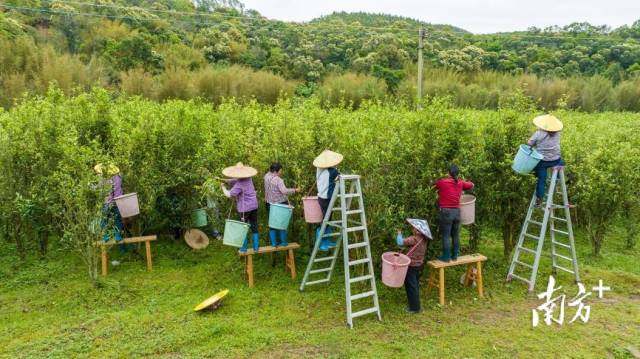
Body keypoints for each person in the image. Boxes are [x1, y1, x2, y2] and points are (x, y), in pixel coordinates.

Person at [434, 164, 474, 262]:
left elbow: (433, 184)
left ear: (448, 173)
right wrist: (465, 182)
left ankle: (446, 257)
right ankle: (455, 255)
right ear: (457, 173)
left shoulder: (443, 182)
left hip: (446, 212)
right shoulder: (460, 182)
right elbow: (472, 185)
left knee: (446, 235)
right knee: (455, 235)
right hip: (457, 212)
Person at [220, 162, 260, 253]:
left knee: (243, 227)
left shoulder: (239, 184)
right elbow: (234, 180)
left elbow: (229, 194)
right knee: (254, 225)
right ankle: (256, 247)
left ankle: (244, 248)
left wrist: (223, 187)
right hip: (254, 206)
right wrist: (223, 180)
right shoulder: (249, 178)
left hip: (244, 209)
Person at [396, 218, 432, 314]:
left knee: (411, 286)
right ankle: (414, 305)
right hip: (418, 265)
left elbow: (400, 242)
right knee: (414, 285)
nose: (412, 229)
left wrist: (399, 233)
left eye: (414, 228)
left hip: (411, 265)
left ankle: (415, 308)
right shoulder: (424, 239)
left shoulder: (415, 239)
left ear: (417, 230)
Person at [528, 114, 564, 207]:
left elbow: (530, 143)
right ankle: (555, 182)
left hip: (542, 162)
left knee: (541, 179)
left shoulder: (539, 133)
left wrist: (535, 141)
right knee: (561, 163)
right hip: (555, 160)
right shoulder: (557, 133)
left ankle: (539, 200)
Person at [264, 162, 300, 247]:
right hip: (279, 204)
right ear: (276, 171)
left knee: (272, 223)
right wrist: (295, 190)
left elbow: (269, 173)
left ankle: (274, 243)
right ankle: (284, 242)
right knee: (282, 223)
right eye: (280, 170)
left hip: (269, 203)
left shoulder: (266, 177)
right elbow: (284, 191)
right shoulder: (278, 180)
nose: (281, 172)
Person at [313, 150, 343, 251]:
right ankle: (321, 242)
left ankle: (326, 240)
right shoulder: (332, 171)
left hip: (321, 197)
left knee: (327, 220)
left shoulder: (319, 169)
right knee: (326, 221)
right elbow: (340, 176)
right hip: (327, 198)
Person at [94, 163, 124, 243]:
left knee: (103, 220)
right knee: (117, 219)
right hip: (117, 202)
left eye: (97, 172)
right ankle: (117, 236)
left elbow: (99, 187)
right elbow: (118, 191)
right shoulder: (118, 177)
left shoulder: (104, 178)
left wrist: (92, 187)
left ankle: (105, 236)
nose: (97, 174)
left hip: (108, 203)